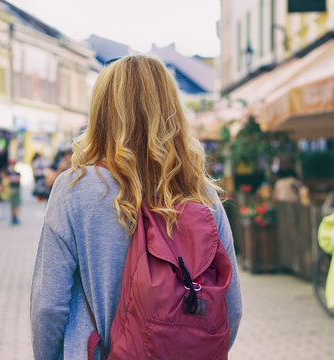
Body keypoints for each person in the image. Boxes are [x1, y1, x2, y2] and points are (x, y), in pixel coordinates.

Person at [30, 55, 242, 359]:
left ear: (102, 112)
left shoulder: (74, 189)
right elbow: (231, 310)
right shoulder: (202, 194)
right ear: (173, 112)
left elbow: (49, 306)